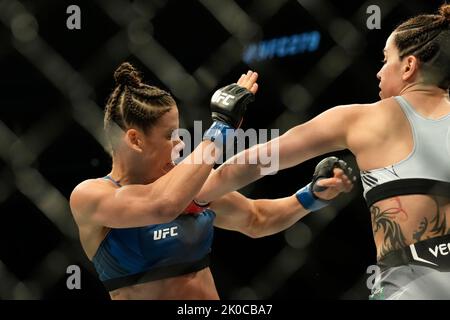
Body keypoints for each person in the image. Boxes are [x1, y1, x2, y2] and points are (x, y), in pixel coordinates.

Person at [195, 4, 450, 300]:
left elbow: (260, 160)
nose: (379, 72)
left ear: (408, 66)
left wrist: (195, 195)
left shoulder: (363, 119)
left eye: (386, 59)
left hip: (412, 286)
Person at [69, 62, 354, 300]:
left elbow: (256, 218)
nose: (180, 142)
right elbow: (161, 205)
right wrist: (219, 129)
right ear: (135, 139)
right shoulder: (91, 196)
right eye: (170, 135)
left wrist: (310, 196)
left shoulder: (188, 185)